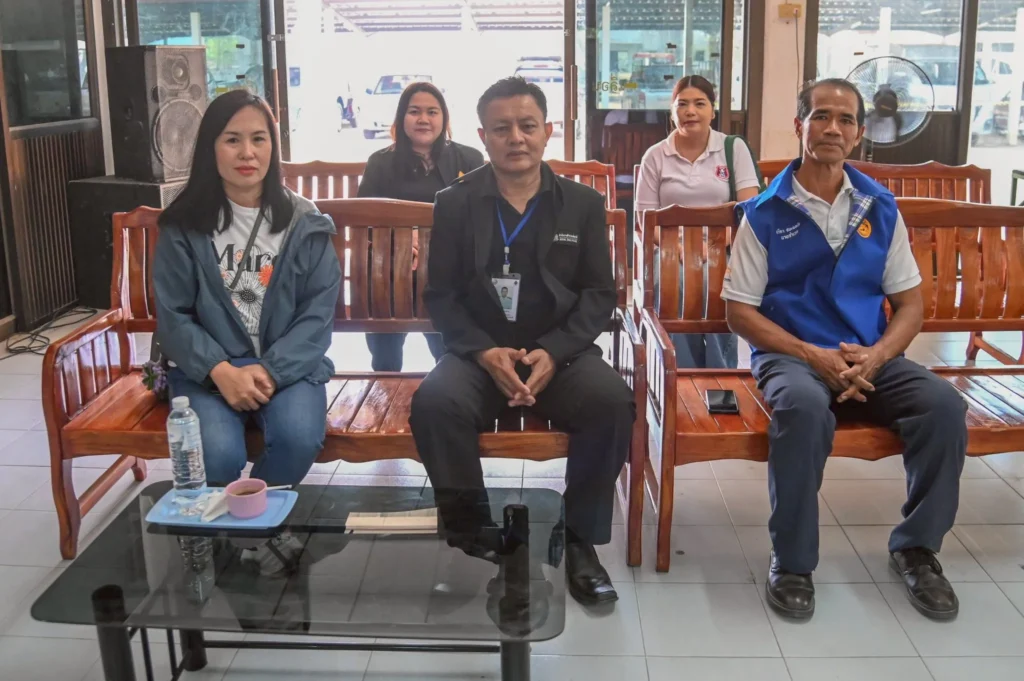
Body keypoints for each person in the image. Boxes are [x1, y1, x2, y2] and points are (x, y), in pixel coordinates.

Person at [723, 78, 966, 621]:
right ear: (800, 125)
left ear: (858, 134)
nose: (832, 128)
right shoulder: (763, 212)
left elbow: (910, 307)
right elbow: (739, 313)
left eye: (846, 119)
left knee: (944, 407)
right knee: (803, 409)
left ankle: (917, 549)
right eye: (821, 116)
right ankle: (792, 562)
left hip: (868, 355)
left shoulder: (881, 207)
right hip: (791, 355)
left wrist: (877, 356)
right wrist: (812, 356)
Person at [409, 76, 634, 607]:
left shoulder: (581, 203)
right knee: (435, 404)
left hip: (560, 354)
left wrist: (555, 351)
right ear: (482, 136)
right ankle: (477, 538)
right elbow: (441, 296)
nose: (516, 138)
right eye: (502, 128)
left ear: (547, 131)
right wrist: (484, 352)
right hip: (480, 354)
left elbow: (599, 294)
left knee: (611, 402)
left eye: (527, 125)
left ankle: (578, 540)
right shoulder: (455, 202)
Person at [153, 90, 341, 487]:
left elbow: (318, 314)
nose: (247, 153)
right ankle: (231, 521)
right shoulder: (183, 224)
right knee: (216, 455)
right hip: (209, 369)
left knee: (297, 439)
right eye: (232, 140)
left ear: (273, 146)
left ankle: (254, 518)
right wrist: (220, 370)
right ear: (211, 148)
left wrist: (271, 371)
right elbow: (173, 315)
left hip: (288, 366)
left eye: (259, 139)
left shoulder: (304, 221)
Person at [636, 74, 764, 369]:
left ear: (712, 111)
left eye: (699, 104)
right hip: (670, 249)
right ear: (672, 112)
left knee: (718, 285)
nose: (690, 111)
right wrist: (677, 248)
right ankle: (680, 372)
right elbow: (645, 220)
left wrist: (716, 246)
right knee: (675, 284)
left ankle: (717, 373)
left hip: (724, 247)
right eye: (682, 104)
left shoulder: (733, 148)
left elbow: (749, 212)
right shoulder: (655, 156)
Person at [358, 82, 486, 371]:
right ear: (401, 117)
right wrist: (400, 241)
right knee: (383, 293)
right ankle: (385, 377)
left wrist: (427, 243)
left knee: (451, 356)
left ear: (444, 118)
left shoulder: (469, 159)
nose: (423, 119)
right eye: (414, 111)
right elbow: (364, 221)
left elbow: (478, 219)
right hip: (392, 269)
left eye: (432, 112)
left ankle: (451, 375)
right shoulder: (380, 162)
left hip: (447, 270)